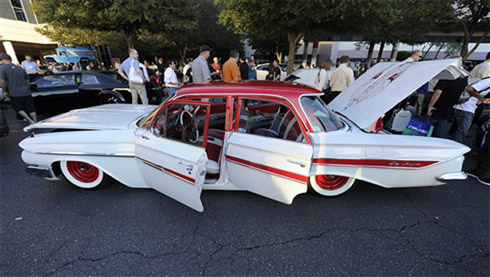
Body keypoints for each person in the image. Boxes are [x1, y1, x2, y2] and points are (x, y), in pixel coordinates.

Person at [0, 54, 37, 125]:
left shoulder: (2, 68)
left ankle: (30, 121)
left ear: (2, 60)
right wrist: (27, 88)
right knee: (31, 108)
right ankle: (35, 121)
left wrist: (4, 91)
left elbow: (2, 81)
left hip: (14, 92)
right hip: (26, 91)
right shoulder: (20, 68)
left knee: (18, 108)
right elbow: (27, 80)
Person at [452, 77, 490, 144]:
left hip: (467, 107)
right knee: (462, 131)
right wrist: (482, 98)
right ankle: (455, 149)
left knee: (459, 131)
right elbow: (470, 89)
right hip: (466, 107)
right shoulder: (488, 81)